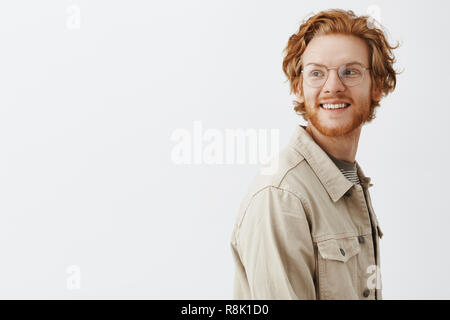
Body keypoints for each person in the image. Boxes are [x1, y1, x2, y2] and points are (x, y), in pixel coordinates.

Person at [230, 8, 399, 300]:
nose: (333, 86)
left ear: (378, 86)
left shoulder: (351, 182)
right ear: (298, 86)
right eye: (317, 73)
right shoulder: (282, 196)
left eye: (351, 71)